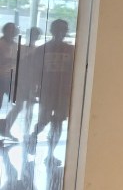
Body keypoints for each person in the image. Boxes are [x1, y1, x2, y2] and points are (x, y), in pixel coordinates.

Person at [28, 20, 74, 152]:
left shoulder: (70, 50)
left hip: (62, 91)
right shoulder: (43, 50)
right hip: (49, 90)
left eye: (63, 30)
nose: (61, 33)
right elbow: (35, 71)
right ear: (52, 31)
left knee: (57, 121)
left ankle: (50, 151)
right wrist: (34, 88)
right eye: (59, 30)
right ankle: (36, 138)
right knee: (45, 119)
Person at [6, 27, 42, 136]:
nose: (34, 36)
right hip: (21, 80)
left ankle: (24, 131)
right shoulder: (22, 48)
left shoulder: (36, 50)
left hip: (30, 81)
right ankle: (7, 128)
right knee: (19, 106)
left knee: (27, 108)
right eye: (33, 34)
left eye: (36, 34)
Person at [0, 22, 19, 138]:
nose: (12, 32)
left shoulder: (16, 45)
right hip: (1, 77)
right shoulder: (1, 44)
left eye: (14, 30)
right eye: (10, 30)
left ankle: (5, 126)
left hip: (11, 79)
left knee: (18, 104)